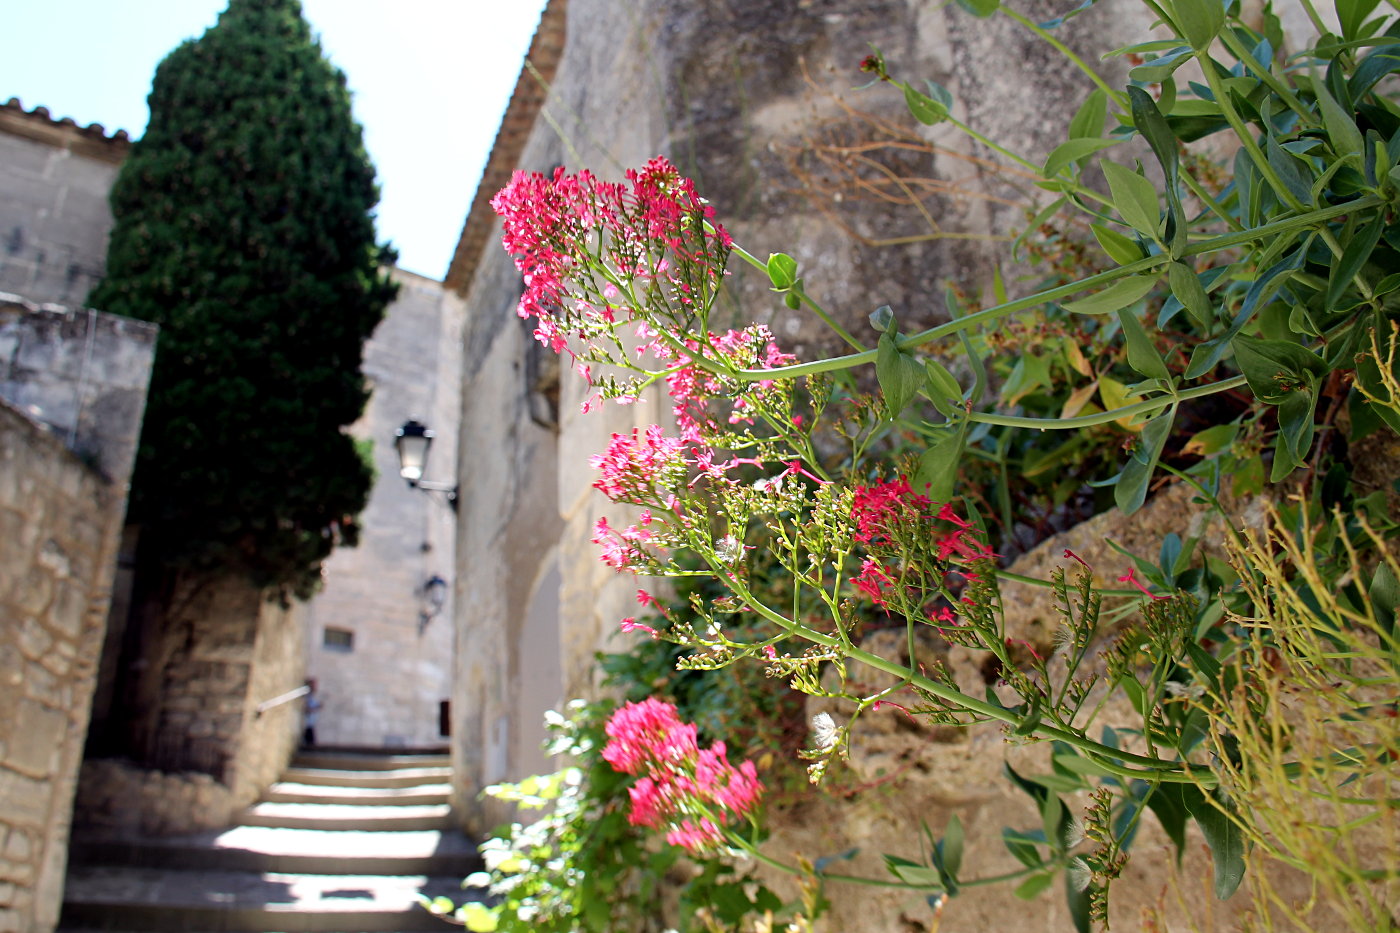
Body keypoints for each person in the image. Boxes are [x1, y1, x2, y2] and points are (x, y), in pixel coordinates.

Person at [302, 679, 323, 747]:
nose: (315, 687)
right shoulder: (307, 696)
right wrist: (316, 708)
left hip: (310, 724)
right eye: (314, 685)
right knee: (310, 744)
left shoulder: (311, 696)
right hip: (306, 724)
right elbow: (306, 709)